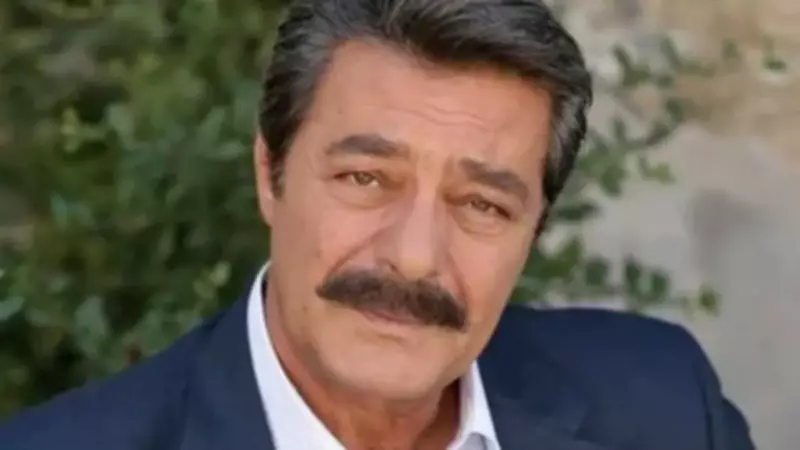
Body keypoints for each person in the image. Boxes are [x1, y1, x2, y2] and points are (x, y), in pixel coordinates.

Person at [0, 0, 754, 449]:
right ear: (270, 174)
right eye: (366, 179)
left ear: (534, 230)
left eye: (482, 205)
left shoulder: (664, 406)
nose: (415, 257)